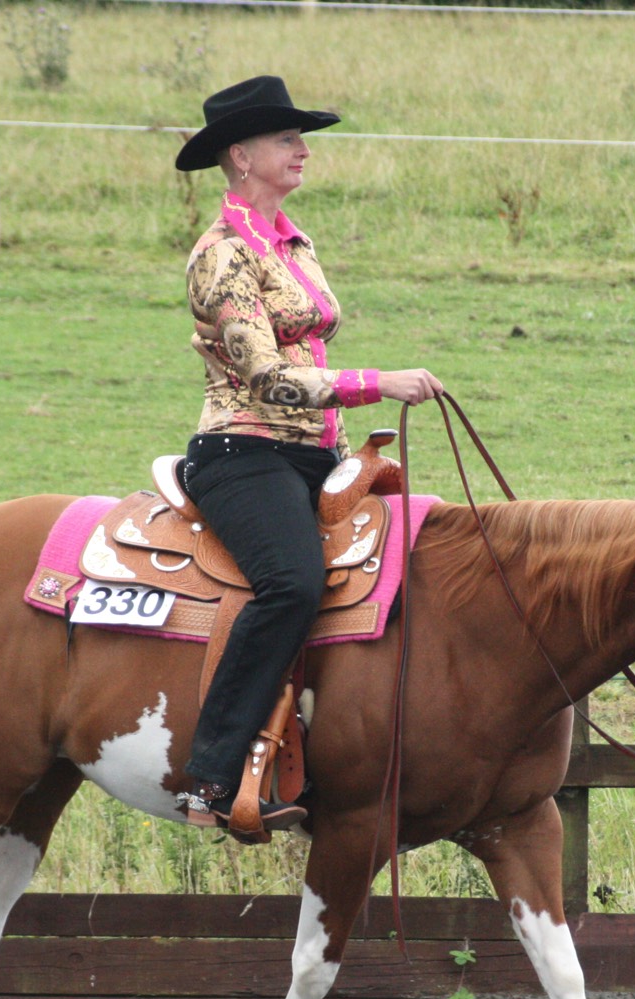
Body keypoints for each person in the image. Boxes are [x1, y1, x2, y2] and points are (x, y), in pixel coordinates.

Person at [172, 76, 442, 832]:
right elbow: (266, 377)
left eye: (302, 137)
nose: (301, 149)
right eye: (285, 138)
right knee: (291, 583)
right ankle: (213, 775)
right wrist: (376, 382)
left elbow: (303, 345)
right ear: (240, 155)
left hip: (319, 454)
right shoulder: (220, 255)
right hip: (244, 452)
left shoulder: (293, 240)